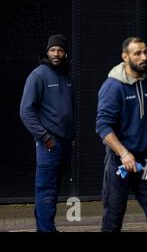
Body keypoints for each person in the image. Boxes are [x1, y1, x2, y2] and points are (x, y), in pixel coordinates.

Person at [96, 37, 147, 232]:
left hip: (145, 163)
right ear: (125, 56)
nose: (143, 57)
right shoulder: (113, 87)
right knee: (113, 217)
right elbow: (103, 127)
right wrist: (123, 153)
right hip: (120, 163)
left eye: (145, 52)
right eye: (137, 53)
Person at [19, 34, 74, 232]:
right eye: (52, 50)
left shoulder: (67, 77)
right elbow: (26, 111)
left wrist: (71, 138)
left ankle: (44, 228)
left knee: (51, 191)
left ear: (65, 53)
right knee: (46, 192)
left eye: (59, 50)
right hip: (48, 145)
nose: (56, 54)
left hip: (65, 144)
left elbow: (69, 110)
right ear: (47, 51)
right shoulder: (38, 75)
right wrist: (44, 137)